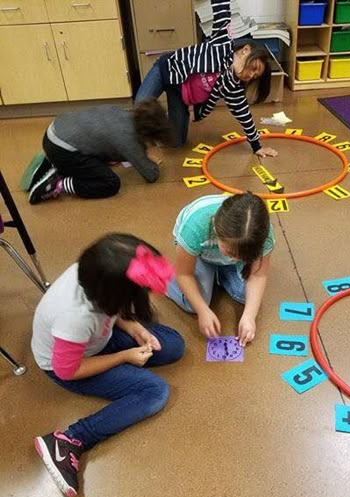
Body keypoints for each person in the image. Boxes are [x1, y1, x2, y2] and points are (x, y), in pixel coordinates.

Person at [32, 233, 184, 497]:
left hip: (97, 338)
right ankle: (69, 440)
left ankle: (130, 351)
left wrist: (136, 328)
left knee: (173, 345)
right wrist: (125, 357)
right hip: (72, 366)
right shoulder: (75, 318)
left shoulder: (95, 275)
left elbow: (113, 310)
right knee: (155, 392)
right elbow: (67, 370)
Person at [135, 0, 278, 158]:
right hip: (167, 70)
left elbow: (245, 115)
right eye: (253, 69)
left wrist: (257, 146)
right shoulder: (222, 43)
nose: (250, 75)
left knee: (176, 142)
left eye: (254, 76)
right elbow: (222, 10)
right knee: (140, 106)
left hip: (180, 95)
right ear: (245, 50)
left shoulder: (233, 87)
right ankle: (121, 143)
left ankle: (169, 117)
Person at [167, 192, 274, 346]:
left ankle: (218, 273)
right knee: (193, 304)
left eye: (242, 256)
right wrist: (202, 311)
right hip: (200, 255)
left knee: (246, 296)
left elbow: (258, 276)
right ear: (217, 232)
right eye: (231, 253)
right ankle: (161, 275)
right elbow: (184, 275)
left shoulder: (261, 233)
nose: (235, 259)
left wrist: (250, 317)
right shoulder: (195, 227)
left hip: (222, 251)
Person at [23, 99, 173, 205]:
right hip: (62, 149)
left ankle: (54, 164)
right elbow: (151, 175)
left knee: (105, 159)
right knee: (110, 183)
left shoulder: (121, 112)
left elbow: (109, 142)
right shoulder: (130, 140)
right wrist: (147, 158)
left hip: (52, 133)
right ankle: (59, 183)